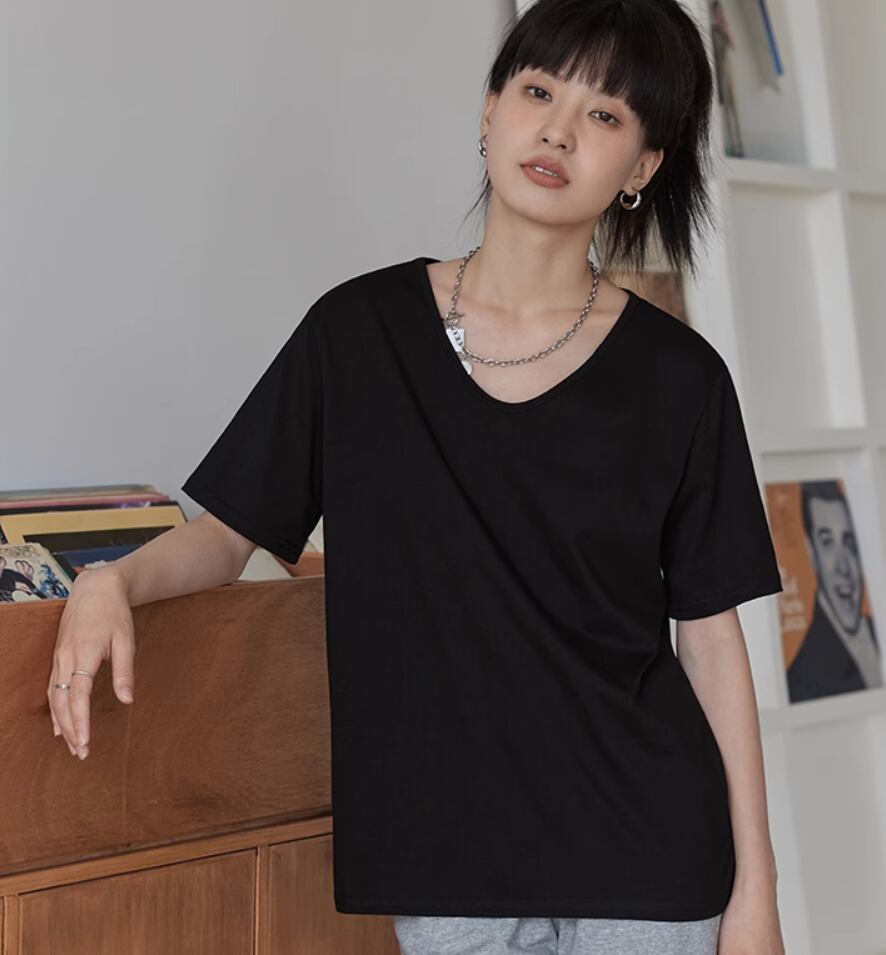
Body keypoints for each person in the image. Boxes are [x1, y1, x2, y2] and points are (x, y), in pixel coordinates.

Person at [48, 0, 787, 952]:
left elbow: (712, 642)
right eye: (538, 92)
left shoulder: (680, 379)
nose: (559, 130)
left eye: (605, 114)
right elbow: (229, 534)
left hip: (647, 858)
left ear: (643, 166)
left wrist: (756, 895)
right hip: (447, 863)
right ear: (489, 111)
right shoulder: (356, 335)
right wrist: (111, 580)